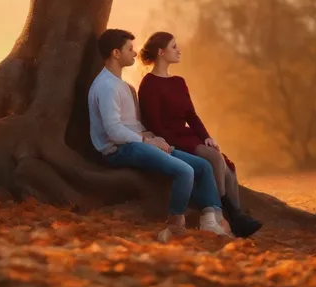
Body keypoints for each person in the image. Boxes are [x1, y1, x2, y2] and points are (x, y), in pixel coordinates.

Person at [88, 28, 230, 241]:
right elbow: (113, 130)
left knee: (203, 166)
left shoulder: (125, 86)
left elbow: (133, 123)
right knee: (185, 171)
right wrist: (146, 141)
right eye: (130, 49)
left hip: (137, 142)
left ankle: (210, 221)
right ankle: (175, 224)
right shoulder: (106, 86)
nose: (135, 54)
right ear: (116, 53)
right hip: (119, 149)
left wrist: (151, 136)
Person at [138, 31, 262, 239]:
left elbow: (191, 115)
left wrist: (207, 137)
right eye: (174, 46)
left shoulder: (179, 81)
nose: (179, 50)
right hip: (170, 138)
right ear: (161, 52)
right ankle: (221, 213)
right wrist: (174, 141)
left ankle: (237, 219)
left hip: (188, 135)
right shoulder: (149, 84)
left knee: (227, 167)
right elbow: (154, 125)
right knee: (214, 158)